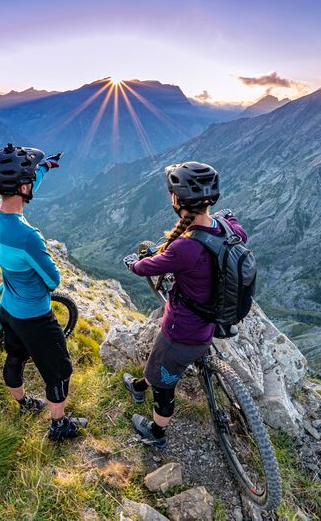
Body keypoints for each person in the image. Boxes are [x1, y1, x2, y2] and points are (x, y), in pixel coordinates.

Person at [121, 161, 247, 449]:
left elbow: (147, 268)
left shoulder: (184, 248)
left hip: (182, 333)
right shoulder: (230, 230)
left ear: (177, 200)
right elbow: (236, 227)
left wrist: (133, 263)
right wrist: (227, 216)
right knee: (156, 366)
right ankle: (140, 386)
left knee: (163, 381)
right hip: (212, 323)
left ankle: (157, 432)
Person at [0, 143, 87, 441]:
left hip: (9, 309)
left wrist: (44, 168)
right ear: (24, 186)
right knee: (59, 370)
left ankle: (24, 403)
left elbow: (20, 188)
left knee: (15, 356)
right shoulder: (28, 237)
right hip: (35, 316)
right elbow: (53, 280)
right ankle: (59, 425)